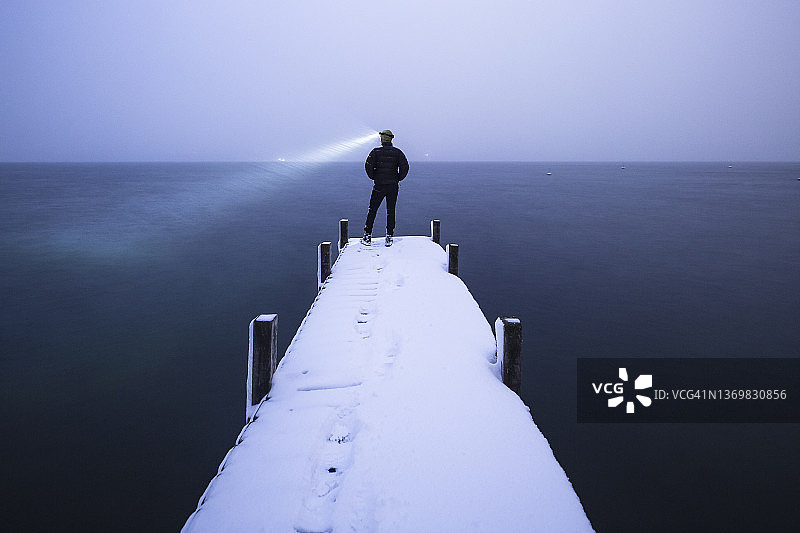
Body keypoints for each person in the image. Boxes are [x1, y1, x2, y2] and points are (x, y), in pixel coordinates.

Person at [361, 129, 409, 247]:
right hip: (393, 186)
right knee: (390, 211)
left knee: (372, 210)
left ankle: (367, 236)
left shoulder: (375, 152)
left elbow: (368, 166)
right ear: (391, 139)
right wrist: (398, 178)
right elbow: (405, 167)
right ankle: (389, 236)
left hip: (379, 186)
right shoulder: (398, 152)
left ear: (382, 139)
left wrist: (374, 177)